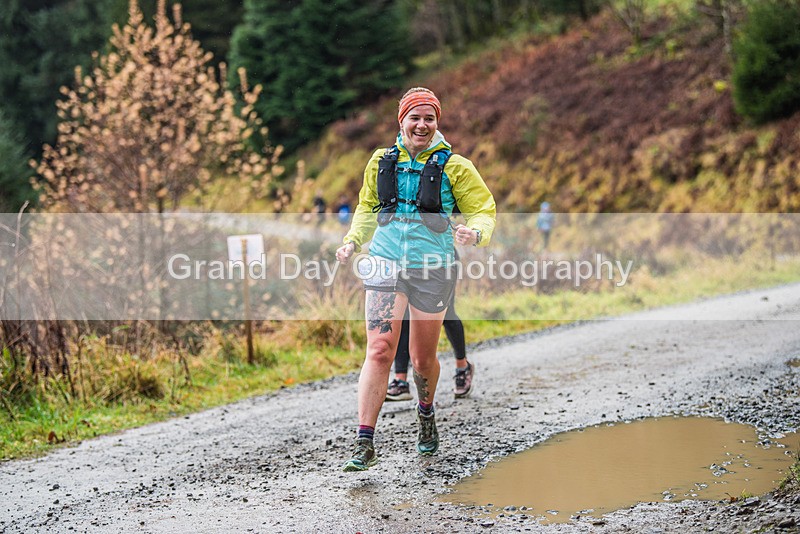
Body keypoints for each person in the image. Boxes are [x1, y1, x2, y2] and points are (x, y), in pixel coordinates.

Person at [335, 87, 495, 471]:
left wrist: (475, 233)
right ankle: (364, 442)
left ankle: (425, 413)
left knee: (423, 360)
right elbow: (368, 206)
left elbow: (484, 210)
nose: (422, 125)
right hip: (385, 261)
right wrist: (353, 240)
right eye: (415, 117)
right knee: (379, 349)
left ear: (436, 123)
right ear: (401, 120)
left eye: (430, 118)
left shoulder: (456, 166)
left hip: (432, 267)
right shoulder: (380, 161)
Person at [386, 249, 472, 402]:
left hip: (440, 258)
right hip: (406, 259)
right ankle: (401, 380)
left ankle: (462, 367)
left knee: (446, 313)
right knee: (404, 316)